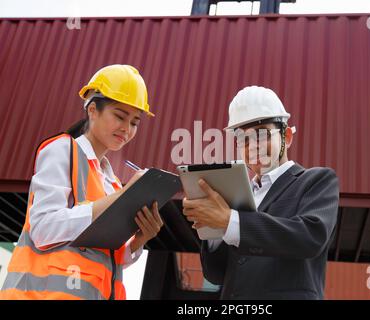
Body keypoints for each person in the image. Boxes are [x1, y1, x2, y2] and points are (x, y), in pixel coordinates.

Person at [0, 64, 163, 300]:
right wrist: (118, 200)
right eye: (119, 116)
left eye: (135, 122)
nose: (126, 129)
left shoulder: (112, 183)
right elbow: (43, 229)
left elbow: (103, 257)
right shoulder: (62, 150)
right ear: (93, 110)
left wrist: (140, 240)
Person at [182, 86, 339, 299]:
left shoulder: (316, 181)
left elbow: (310, 236)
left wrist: (229, 221)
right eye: (243, 139)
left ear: (287, 136)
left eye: (261, 134)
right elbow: (216, 274)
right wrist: (213, 228)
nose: (252, 146)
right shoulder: (234, 198)